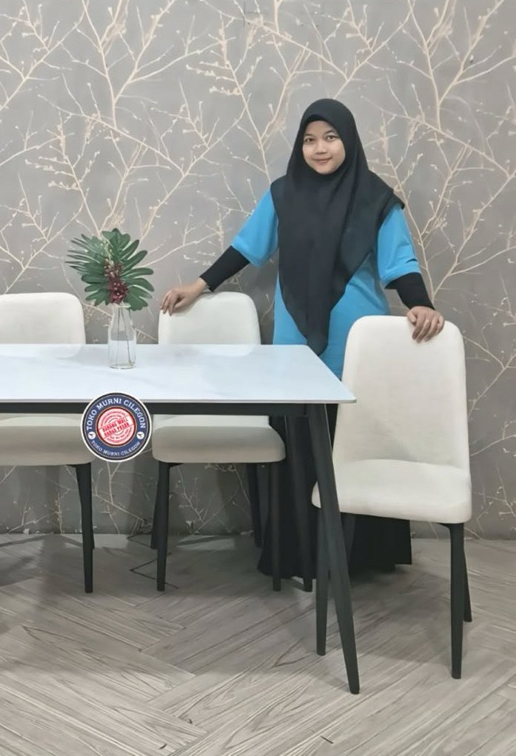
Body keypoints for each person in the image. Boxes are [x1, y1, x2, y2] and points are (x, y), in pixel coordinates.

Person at [161, 98, 444, 579]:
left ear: (348, 141)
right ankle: (300, 555)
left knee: (354, 442)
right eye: (310, 140)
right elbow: (246, 248)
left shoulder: (376, 199)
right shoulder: (283, 194)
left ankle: (363, 557)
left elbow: (400, 263)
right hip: (295, 341)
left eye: (330, 137)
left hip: (355, 341)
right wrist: (200, 285)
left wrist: (422, 303)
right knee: (300, 440)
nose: (320, 148)